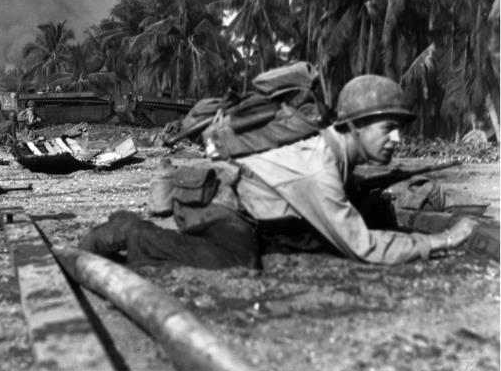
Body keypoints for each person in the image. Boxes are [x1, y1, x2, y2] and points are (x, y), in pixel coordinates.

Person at [79, 75, 479, 267]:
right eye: (388, 128)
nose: (397, 139)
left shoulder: (332, 150)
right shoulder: (318, 167)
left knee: (363, 212)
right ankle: (132, 231)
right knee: (236, 261)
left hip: (255, 205)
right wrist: (441, 241)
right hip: (219, 206)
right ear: (354, 127)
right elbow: (363, 248)